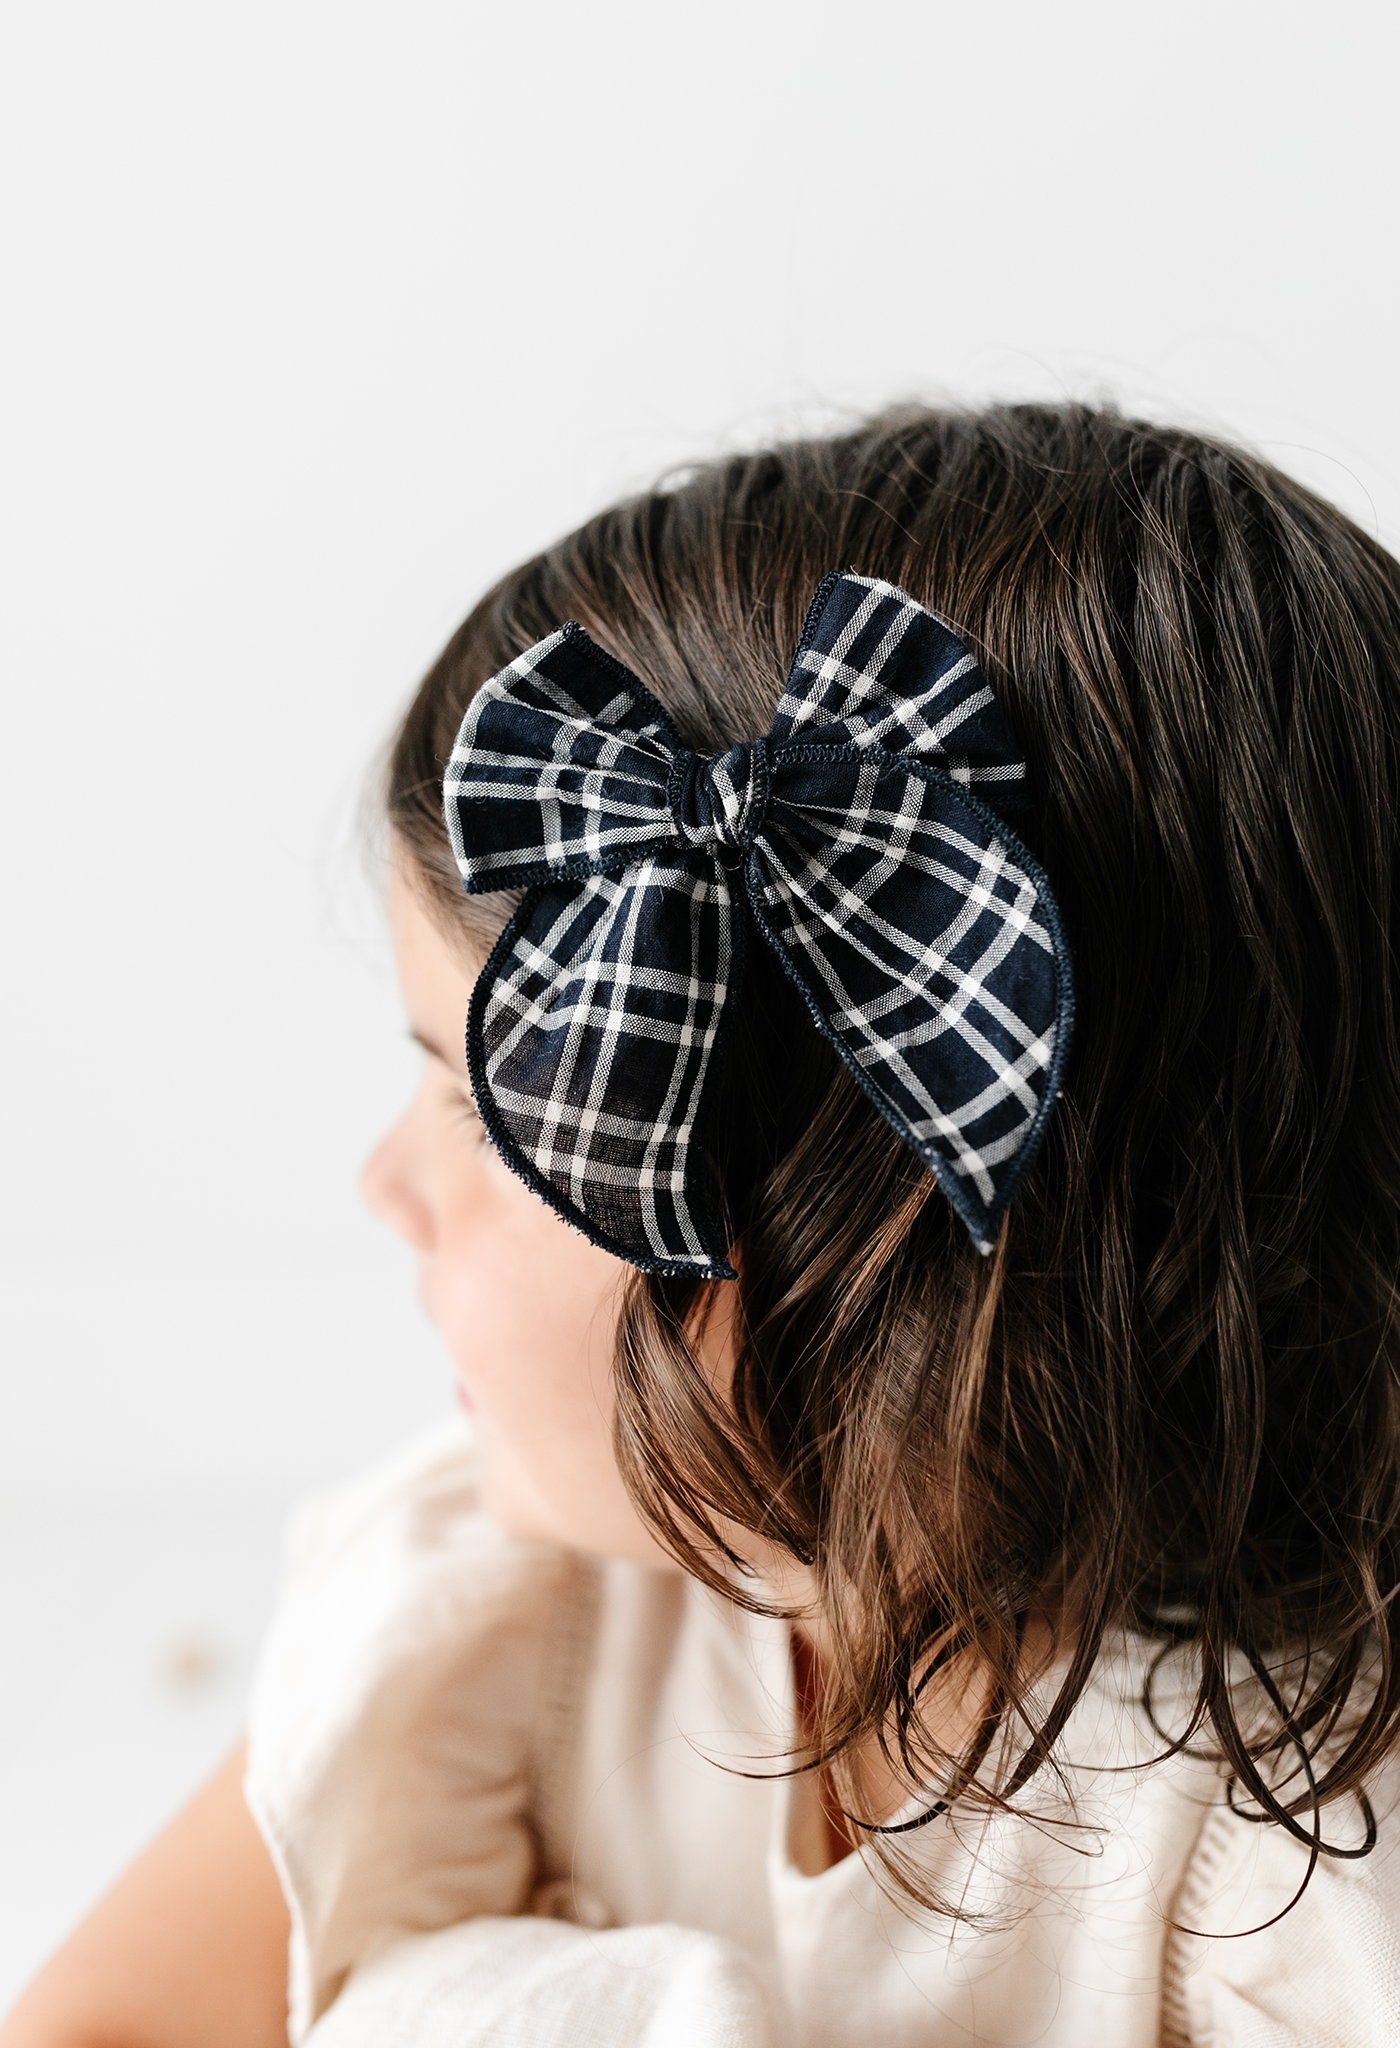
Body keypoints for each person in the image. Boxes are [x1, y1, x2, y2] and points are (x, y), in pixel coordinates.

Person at [6, 402, 1400, 2048]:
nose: (383, 1186)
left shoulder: (1283, 1847)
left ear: (869, 1238)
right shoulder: (519, 1596)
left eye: (478, 1107)